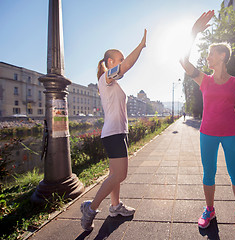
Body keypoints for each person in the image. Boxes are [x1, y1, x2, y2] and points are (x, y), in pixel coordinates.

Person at [179, 11, 235, 235]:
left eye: (211, 54)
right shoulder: (204, 79)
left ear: (222, 56)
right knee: (208, 173)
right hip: (208, 134)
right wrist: (193, 33)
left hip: (231, 135)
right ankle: (209, 209)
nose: (207, 58)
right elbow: (183, 61)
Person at [80, 29, 147, 231]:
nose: (122, 61)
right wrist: (141, 46)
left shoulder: (112, 82)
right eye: (119, 59)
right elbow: (126, 66)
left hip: (118, 133)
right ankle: (90, 209)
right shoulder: (106, 79)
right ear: (110, 62)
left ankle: (115, 206)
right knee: (120, 175)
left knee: (114, 174)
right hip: (113, 134)